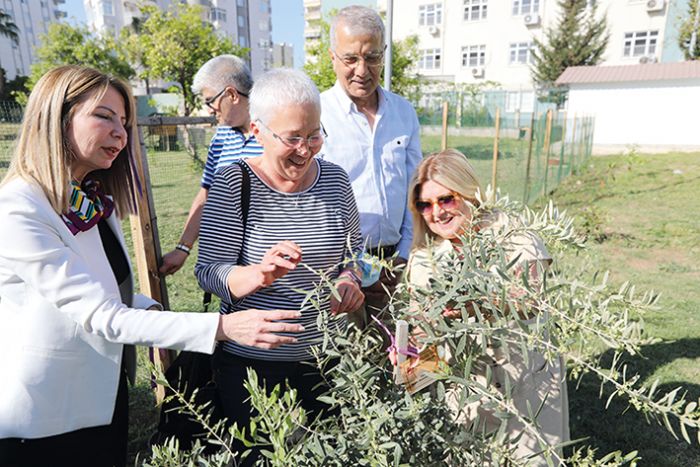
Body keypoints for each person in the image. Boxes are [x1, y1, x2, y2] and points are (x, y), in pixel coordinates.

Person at [0, 65, 303, 467]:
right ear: (56, 116)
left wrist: (154, 310)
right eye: (104, 116)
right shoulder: (20, 208)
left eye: (124, 122)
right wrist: (222, 327)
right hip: (46, 413)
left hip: (101, 396)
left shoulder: (87, 199)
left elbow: (106, 287)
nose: (121, 134)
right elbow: (99, 313)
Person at [195, 68, 364, 463]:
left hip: (327, 363)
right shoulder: (233, 183)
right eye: (292, 138)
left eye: (314, 135)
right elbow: (209, 271)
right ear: (257, 131)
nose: (306, 150)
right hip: (254, 369)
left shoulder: (336, 181)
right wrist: (259, 274)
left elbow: (357, 254)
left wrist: (350, 278)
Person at [405, 149, 570, 465]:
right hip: (469, 397)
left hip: (527, 388)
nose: (436, 212)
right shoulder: (424, 261)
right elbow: (423, 339)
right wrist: (411, 366)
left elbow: (528, 300)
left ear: (467, 192)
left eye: (446, 200)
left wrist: (470, 301)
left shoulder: (511, 233)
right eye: (425, 205)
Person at [320, 5, 422, 315]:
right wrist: (346, 272)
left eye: (373, 57)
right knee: (344, 361)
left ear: (384, 54)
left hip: (394, 268)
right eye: (350, 59)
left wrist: (403, 256)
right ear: (332, 57)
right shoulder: (316, 115)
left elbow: (414, 188)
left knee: (394, 357)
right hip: (336, 276)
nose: (362, 70)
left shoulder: (404, 113)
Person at [160, 55, 263, 275]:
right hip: (229, 269)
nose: (209, 110)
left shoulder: (274, 131)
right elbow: (206, 195)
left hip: (270, 265)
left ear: (231, 95)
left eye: (209, 101)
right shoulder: (222, 136)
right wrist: (183, 248)